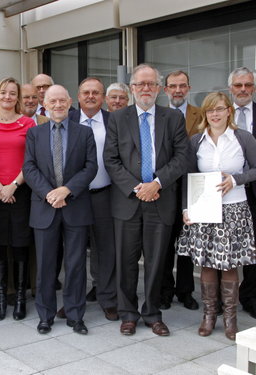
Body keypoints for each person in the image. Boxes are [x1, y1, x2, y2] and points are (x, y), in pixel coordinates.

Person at [104, 64, 188, 337]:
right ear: (132, 88)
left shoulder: (172, 118)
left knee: (157, 261)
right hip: (128, 201)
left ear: (159, 88)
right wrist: (137, 187)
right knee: (126, 261)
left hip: (160, 199)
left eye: (151, 84)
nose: (146, 89)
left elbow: (181, 157)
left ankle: (152, 313)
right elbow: (111, 160)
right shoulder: (117, 119)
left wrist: (157, 183)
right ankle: (128, 314)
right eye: (141, 84)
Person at [177, 91, 256, 341]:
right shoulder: (196, 141)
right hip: (204, 210)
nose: (215, 114)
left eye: (219, 109)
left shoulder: (243, 138)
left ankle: (230, 318)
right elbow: (187, 179)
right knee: (208, 263)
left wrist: (236, 179)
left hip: (235, 208)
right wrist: (186, 209)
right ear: (205, 114)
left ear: (228, 111)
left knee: (230, 264)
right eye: (210, 110)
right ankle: (210, 315)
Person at [23, 84, 97, 335]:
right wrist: (49, 194)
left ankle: (76, 315)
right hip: (45, 207)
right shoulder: (35, 134)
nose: (57, 106)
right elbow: (29, 168)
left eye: (61, 101)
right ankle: (45, 315)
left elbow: (90, 168)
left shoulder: (83, 133)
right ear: (45, 104)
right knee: (45, 265)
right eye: (52, 101)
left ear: (69, 103)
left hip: (75, 206)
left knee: (76, 264)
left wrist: (66, 190)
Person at [0, 77, 35, 321]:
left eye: (13, 93)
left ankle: (21, 298)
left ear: (18, 98)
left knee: (21, 245)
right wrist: (0, 187)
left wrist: (12, 186)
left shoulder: (29, 123)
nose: (7, 97)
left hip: (21, 191)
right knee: (0, 246)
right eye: (4, 93)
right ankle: (2, 300)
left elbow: (31, 160)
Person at [68, 77, 117, 320]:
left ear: (103, 97)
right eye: (85, 92)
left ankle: (107, 297)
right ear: (78, 97)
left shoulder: (114, 121)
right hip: (74, 196)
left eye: (95, 92)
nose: (90, 96)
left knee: (105, 249)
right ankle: (72, 301)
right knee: (74, 250)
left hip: (104, 194)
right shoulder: (67, 120)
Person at [159, 70, 203, 311]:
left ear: (189, 88)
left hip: (191, 187)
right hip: (165, 188)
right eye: (173, 86)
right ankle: (165, 290)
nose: (178, 90)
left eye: (182, 86)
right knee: (165, 243)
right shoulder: (158, 115)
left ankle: (185, 291)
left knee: (187, 242)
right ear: (165, 89)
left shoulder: (201, 114)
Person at [228, 67, 256, 320]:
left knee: (254, 245)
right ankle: (228, 300)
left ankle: (251, 296)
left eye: (248, 85)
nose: (243, 89)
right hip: (229, 194)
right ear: (231, 88)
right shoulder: (223, 116)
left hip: (254, 188)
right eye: (238, 85)